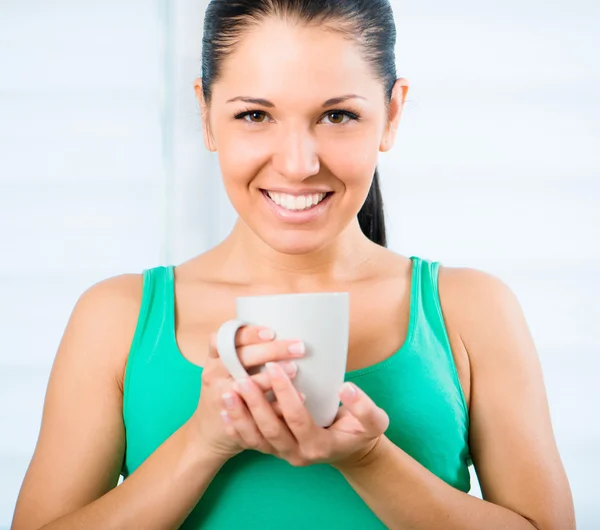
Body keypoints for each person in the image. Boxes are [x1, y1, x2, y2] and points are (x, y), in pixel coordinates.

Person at [12, 1, 575, 529]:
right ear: (207, 115)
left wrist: (370, 460)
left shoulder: (471, 309)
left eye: (337, 115)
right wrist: (204, 440)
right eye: (255, 114)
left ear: (393, 113)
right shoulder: (116, 317)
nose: (298, 164)